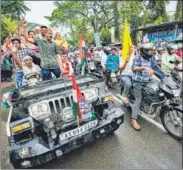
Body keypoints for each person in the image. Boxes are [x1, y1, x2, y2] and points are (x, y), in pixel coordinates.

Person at [131, 43, 165, 131]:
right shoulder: (137, 58)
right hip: (138, 81)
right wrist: (145, 68)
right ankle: (133, 119)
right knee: (138, 100)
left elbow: (156, 67)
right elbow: (134, 68)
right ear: (144, 51)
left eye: (152, 51)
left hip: (148, 79)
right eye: (150, 51)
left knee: (159, 86)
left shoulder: (151, 58)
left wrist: (164, 72)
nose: (151, 53)